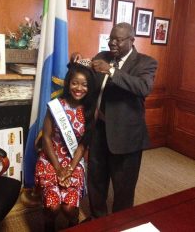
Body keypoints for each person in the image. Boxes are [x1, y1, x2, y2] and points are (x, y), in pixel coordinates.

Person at [72, 22, 157, 219]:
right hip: (99, 130)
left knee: (123, 187)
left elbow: (143, 87)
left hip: (127, 137)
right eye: (111, 39)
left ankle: (120, 223)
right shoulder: (102, 56)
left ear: (131, 40)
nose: (112, 43)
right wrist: (75, 61)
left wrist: (111, 71)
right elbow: (85, 75)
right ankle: (98, 219)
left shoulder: (146, 62)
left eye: (118, 40)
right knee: (96, 180)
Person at [35, 62, 96, 231]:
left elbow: (83, 145)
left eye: (84, 85)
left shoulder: (89, 111)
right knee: (53, 207)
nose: (79, 88)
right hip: (50, 159)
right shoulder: (56, 106)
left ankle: (73, 223)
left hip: (73, 161)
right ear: (68, 83)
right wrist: (58, 168)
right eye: (75, 83)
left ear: (89, 88)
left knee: (69, 208)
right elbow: (46, 138)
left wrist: (69, 168)